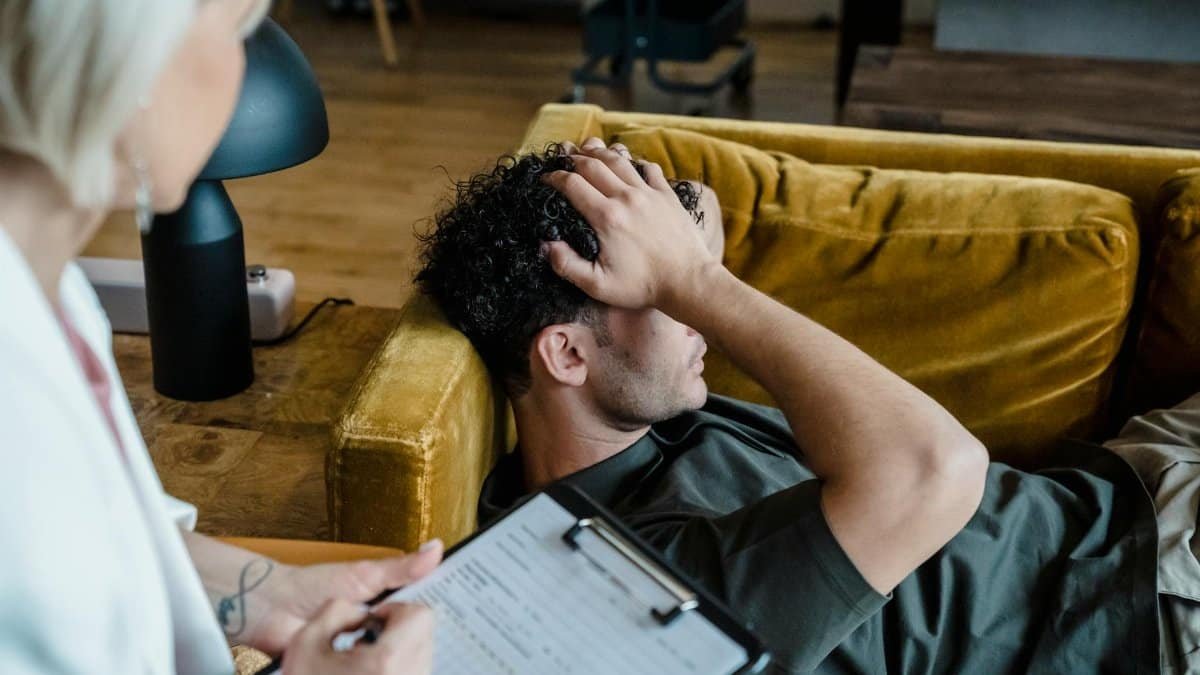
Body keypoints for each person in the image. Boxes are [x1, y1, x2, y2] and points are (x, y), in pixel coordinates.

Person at [417, 138, 1200, 673]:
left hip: (1120, 481)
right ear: (567, 354)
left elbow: (696, 231)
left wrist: (674, 251)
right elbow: (937, 468)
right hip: (1143, 590)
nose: (705, 324)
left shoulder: (639, 419)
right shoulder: (645, 580)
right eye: (660, 292)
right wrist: (694, 284)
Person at [0, 2, 437, 673]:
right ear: (130, 58)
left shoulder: (50, 284)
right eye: (235, 32)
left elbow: (89, 547)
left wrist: (269, 591)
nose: (240, 70)